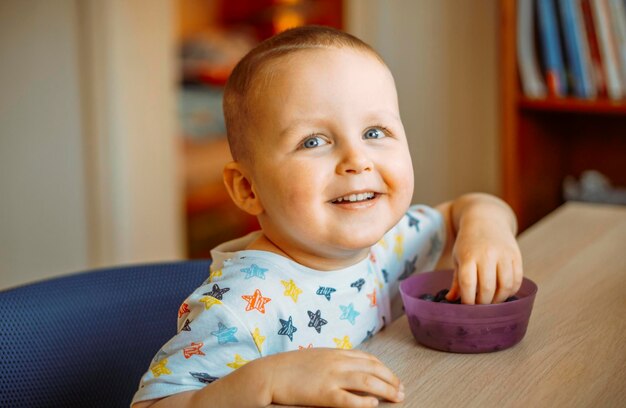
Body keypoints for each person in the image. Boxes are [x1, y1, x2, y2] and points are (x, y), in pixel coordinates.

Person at [132, 25, 522, 408]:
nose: (357, 160)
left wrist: (487, 227)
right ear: (248, 189)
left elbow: (466, 210)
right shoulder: (241, 307)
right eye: (313, 141)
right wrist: (267, 380)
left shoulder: (391, 243)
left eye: (374, 132)